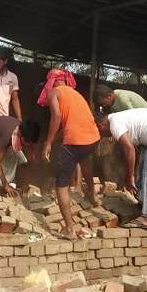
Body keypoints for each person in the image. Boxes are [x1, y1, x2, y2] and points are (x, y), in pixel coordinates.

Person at [39, 69, 100, 240]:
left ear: (51, 81)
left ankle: (69, 229)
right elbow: (72, 120)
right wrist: (56, 139)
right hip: (93, 137)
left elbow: (57, 116)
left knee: (61, 184)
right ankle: (93, 196)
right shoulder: (76, 93)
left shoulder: (54, 93)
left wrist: (48, 143)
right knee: (85, 161)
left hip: (74, 140)